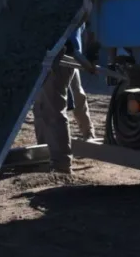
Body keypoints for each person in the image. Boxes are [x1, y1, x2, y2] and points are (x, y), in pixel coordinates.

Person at [33, 24, 95, 173]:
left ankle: (61, 161)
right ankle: (44, 148)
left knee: (54, 106)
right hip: (67, 54)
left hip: (63, 55)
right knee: (45, 103)